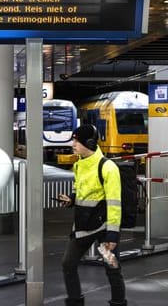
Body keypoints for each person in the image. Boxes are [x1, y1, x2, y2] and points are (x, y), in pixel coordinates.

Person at [58, 124, 127, 306]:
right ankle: (75, 302)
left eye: (76, 141)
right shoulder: (79, 164)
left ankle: (118, 303)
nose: (73, 144)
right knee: (68, 264)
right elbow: (80, 189)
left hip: (104, 229)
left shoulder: (108, 167)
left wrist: (113, 234)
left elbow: (114, 203)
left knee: (112, 267)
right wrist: (72, 199)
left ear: (88, 143)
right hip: (83, 227)